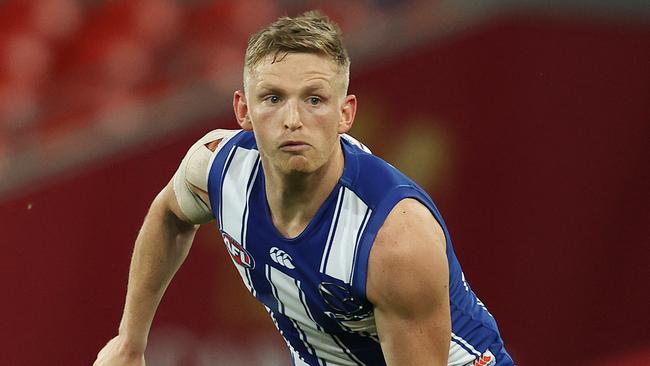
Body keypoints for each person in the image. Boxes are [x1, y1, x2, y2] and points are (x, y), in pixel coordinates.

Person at [94, 11, 514, 366]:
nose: (292, 120)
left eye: (314, 99)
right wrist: (130, 341)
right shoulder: (215, 166)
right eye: (273, 98)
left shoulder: (396, 239)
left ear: (345, 113)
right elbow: (169, 216)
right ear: (243, 109)